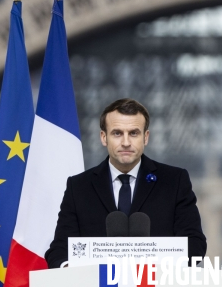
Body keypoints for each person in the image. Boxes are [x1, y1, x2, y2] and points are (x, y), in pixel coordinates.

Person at [45, 98, 207, 268]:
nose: (126, 142)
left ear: (146, 137)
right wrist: (71, 272)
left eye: (133, 133)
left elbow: (194, 243)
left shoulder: (174, 181)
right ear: (103, 137)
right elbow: (59, 249)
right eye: (117, 133)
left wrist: (163, 268)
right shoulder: (78, 187)